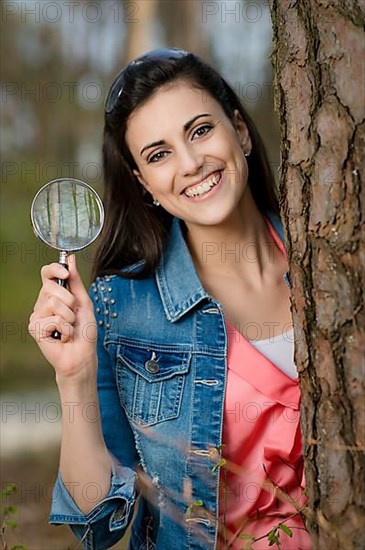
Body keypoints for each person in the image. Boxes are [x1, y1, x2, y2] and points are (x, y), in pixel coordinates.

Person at [29, 48, 312, 550]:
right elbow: (96, 525)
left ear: (240, 132)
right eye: (158, 154)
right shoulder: (122, 307)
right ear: (145, 185)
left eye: (201, 130)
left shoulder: (331, 257)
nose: (190, 163)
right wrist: (73, 378)